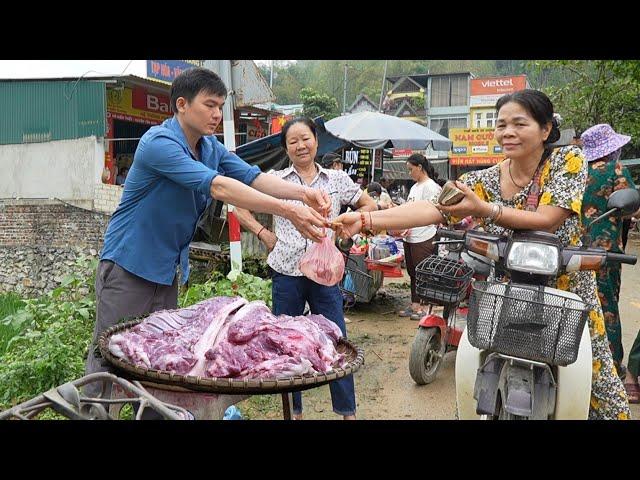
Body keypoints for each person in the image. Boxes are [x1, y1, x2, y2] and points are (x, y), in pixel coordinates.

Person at [332, 89, 631, 419]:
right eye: (501, 124)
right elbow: (432, 209)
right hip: (510, 290)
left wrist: (486, 210)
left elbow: (549, 217)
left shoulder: (567, 161)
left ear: (546, 129)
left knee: (600, 384)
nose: (508, 132)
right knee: (478, 371)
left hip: (567, 292)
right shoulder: (488, 177)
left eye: (520, 123)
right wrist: (364, 219)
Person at [84, 68, 332, 397]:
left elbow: (253, 178)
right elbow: (218, 187)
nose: (217, 114)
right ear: (182, 105)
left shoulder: (210, 148)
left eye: (220, 106)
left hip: (165, 271)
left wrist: (303, 194)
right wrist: (288, 211)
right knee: (111, 358)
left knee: (157, 358)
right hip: (129, 267)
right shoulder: (159, 143)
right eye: (210, 105)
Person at [234, 117, 377, 420]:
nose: (300, 146)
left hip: (324, 275)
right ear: (285, 148)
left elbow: (369, 206)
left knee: (336, 340)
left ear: (316, 140)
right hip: (286, 272)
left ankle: (347, 412)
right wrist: (264, 234)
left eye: (305, 138)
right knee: (286, 343)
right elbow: (239, 205)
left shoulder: (336, 180)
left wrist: (347, 228)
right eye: (292, 141)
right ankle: (293, 412)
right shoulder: (276, 180)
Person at [580, 123, 640, 403]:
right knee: (607, 309)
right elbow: (632, 207)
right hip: (604, 254)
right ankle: (612, 369)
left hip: (569, 251)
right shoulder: (614, 170)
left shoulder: (575, 170)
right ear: (613, 149)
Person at [397, 153, 443, 321]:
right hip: (411, 236)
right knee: (412, 272)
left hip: (425, 235)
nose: (409, 173)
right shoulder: (415, 187)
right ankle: (415, 304)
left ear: (420, 167)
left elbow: (432, 212)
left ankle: (425, 306)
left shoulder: (431, 187)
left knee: (424, 272)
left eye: (411, 169)